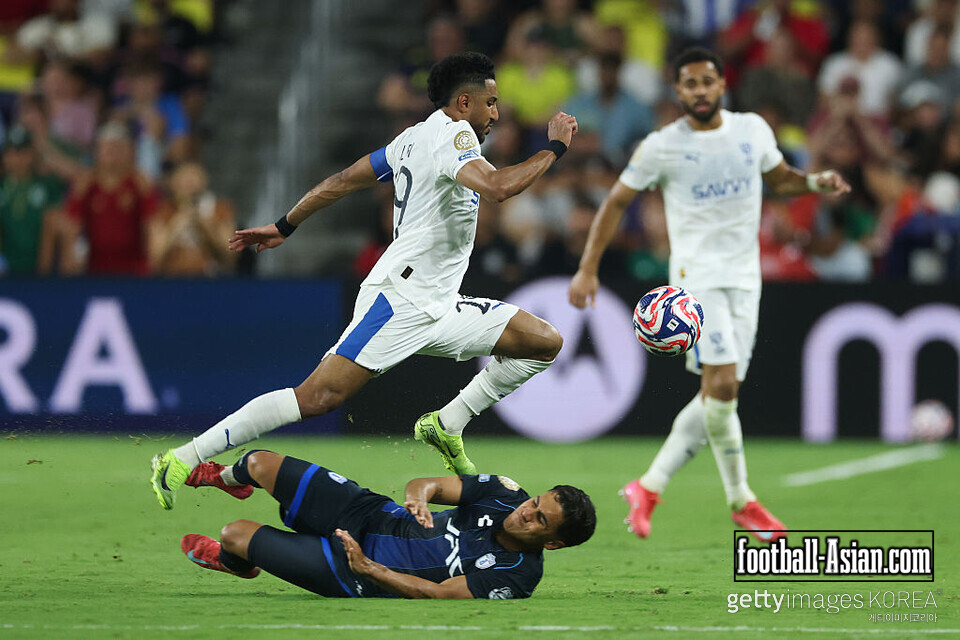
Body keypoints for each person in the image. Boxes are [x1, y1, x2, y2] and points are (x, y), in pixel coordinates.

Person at [150, 51, 578, 510]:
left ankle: (446, 424)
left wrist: (285, 224)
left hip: (439, 303)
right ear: (464, 101)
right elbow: (498, 188)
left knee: (542, 341)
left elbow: (342, 180)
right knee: (316, 397)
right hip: (400, 299)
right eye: (490, 103)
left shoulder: (410, 140)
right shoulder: (453, 136)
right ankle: (181, 458)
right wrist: (553, 147)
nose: (495, 114)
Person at [567, 47, 851, 542]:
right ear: (677, 92)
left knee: (717, 397)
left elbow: (778, 178)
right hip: (695, 283)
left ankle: (648, 486)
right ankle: (742, 500)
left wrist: (811, 182)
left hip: (746, 279)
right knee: (723, 388)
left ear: (721, 85)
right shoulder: (661, 145)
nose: (699, 91)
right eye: (690, 84)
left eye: (707, 82)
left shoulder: (752, 130)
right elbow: (616, 202)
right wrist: (587, 269)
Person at [178, 450, 596, 599]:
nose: (526, 511)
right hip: (365, 511)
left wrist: (368, 568)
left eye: (540, 519)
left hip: (351, 571)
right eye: (535, 502)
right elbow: (426, 483)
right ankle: (224, 479)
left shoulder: (518, 574)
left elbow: (437, 594)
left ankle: (236, 562)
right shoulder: (505, 493)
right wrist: (417, 498)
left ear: (553, 543)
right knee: (257, 463)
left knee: (234, 534)